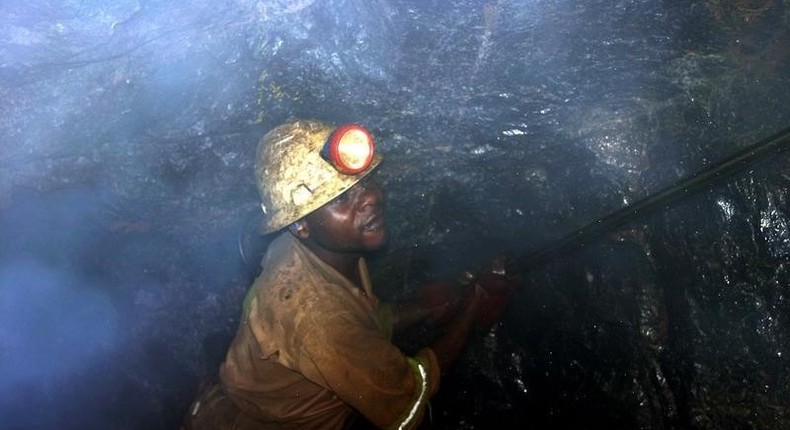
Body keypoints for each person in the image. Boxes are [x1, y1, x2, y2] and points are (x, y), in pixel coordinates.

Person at [183, 119, 517, 429]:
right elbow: (407, 404)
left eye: (365, 182)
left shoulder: (302, 248)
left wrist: (421, 309)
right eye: (342, 198)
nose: (371, 197)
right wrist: (474, 304)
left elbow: (355, 318)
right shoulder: (320, 319)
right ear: (301, 225)